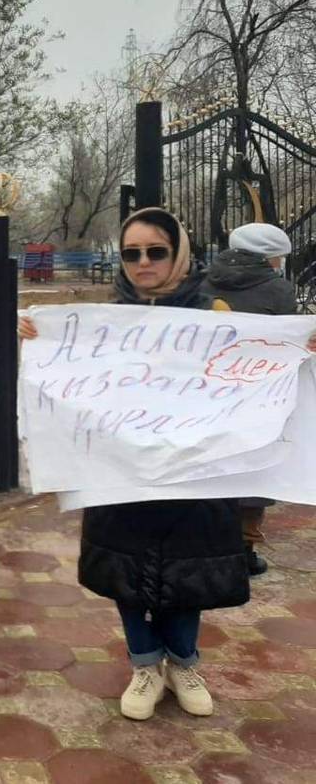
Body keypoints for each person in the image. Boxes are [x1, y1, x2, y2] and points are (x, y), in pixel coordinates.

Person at [17, 207, 316, 722]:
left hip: (194, 472)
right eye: (132, 253)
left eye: (155, 251)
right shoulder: (102, 322)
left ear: (178, 254)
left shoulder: (216, 316)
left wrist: (301, 353)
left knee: (188, 570)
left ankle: (183, 661)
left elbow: (259, 375)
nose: (143, 262)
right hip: (122, 471)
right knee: (126, 570)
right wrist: (40, 343)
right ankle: (145, 664)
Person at [201, 222, 298, 576]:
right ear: (268, 257)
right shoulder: (278, 290)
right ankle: (243, 549)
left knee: (215, 463)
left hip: (209, 390)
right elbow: (291, 341)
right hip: (260, 393)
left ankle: (210, 542)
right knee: (256, 464)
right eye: (279, 257)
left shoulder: (202, 280)